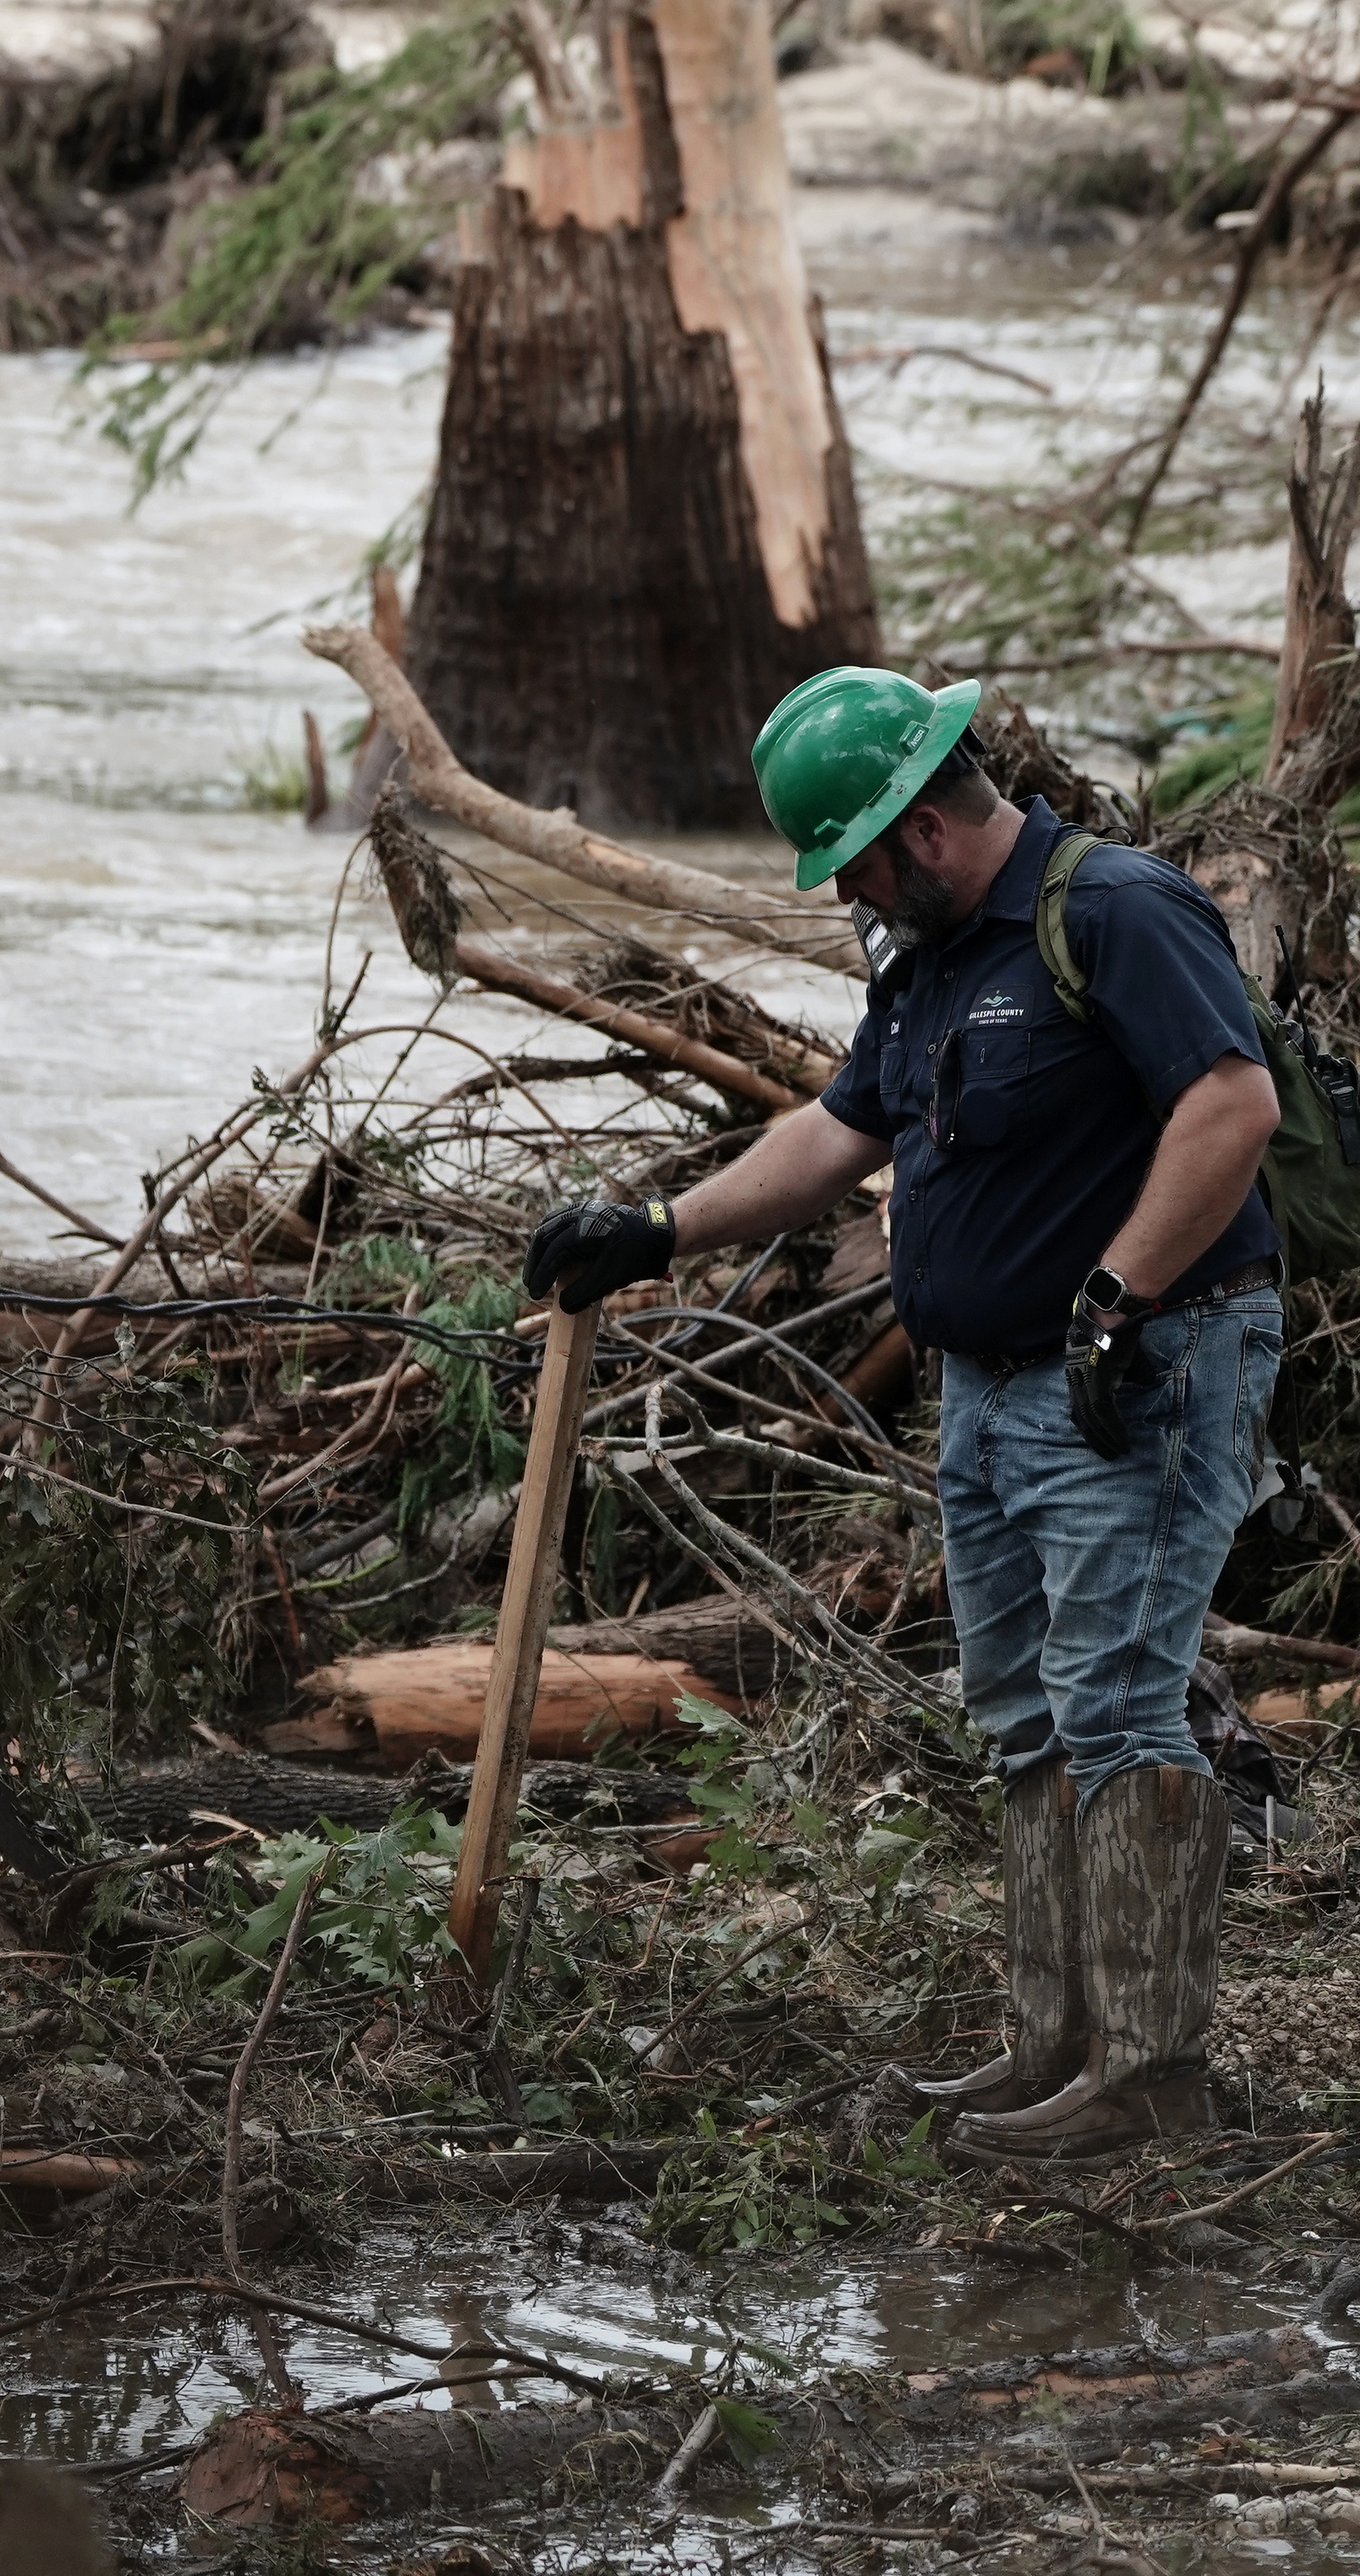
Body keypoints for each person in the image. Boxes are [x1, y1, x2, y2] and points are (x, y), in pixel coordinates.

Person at [520, 667, 1284, 2160]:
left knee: (1121, 1705)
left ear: (922, 830)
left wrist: (1117, 1295)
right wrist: (659, 1226)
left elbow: (1232, 1106)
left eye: (854, 864)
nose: (847, 895)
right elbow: (832, 1132)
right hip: (993, 1393)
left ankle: (1152, 2081)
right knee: (1023, 1713)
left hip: (1140, 1370)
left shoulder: (1117, 910)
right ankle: (1053, 2046)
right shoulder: (925, 961)